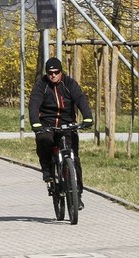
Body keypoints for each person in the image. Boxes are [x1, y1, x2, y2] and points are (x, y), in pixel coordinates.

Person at [29, 57, 93, 204]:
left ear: (61, 72)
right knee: (44, 140)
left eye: (56, 72)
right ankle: (47, 170)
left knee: (74, 158)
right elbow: (34, 104)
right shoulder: (41, 85)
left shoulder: (70, 84)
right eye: (50, 73)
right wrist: (36, 123)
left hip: (67, 123)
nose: (53, 75)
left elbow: (81, 99)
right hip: (48, 123)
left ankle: (77, 194)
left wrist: (88, 117)